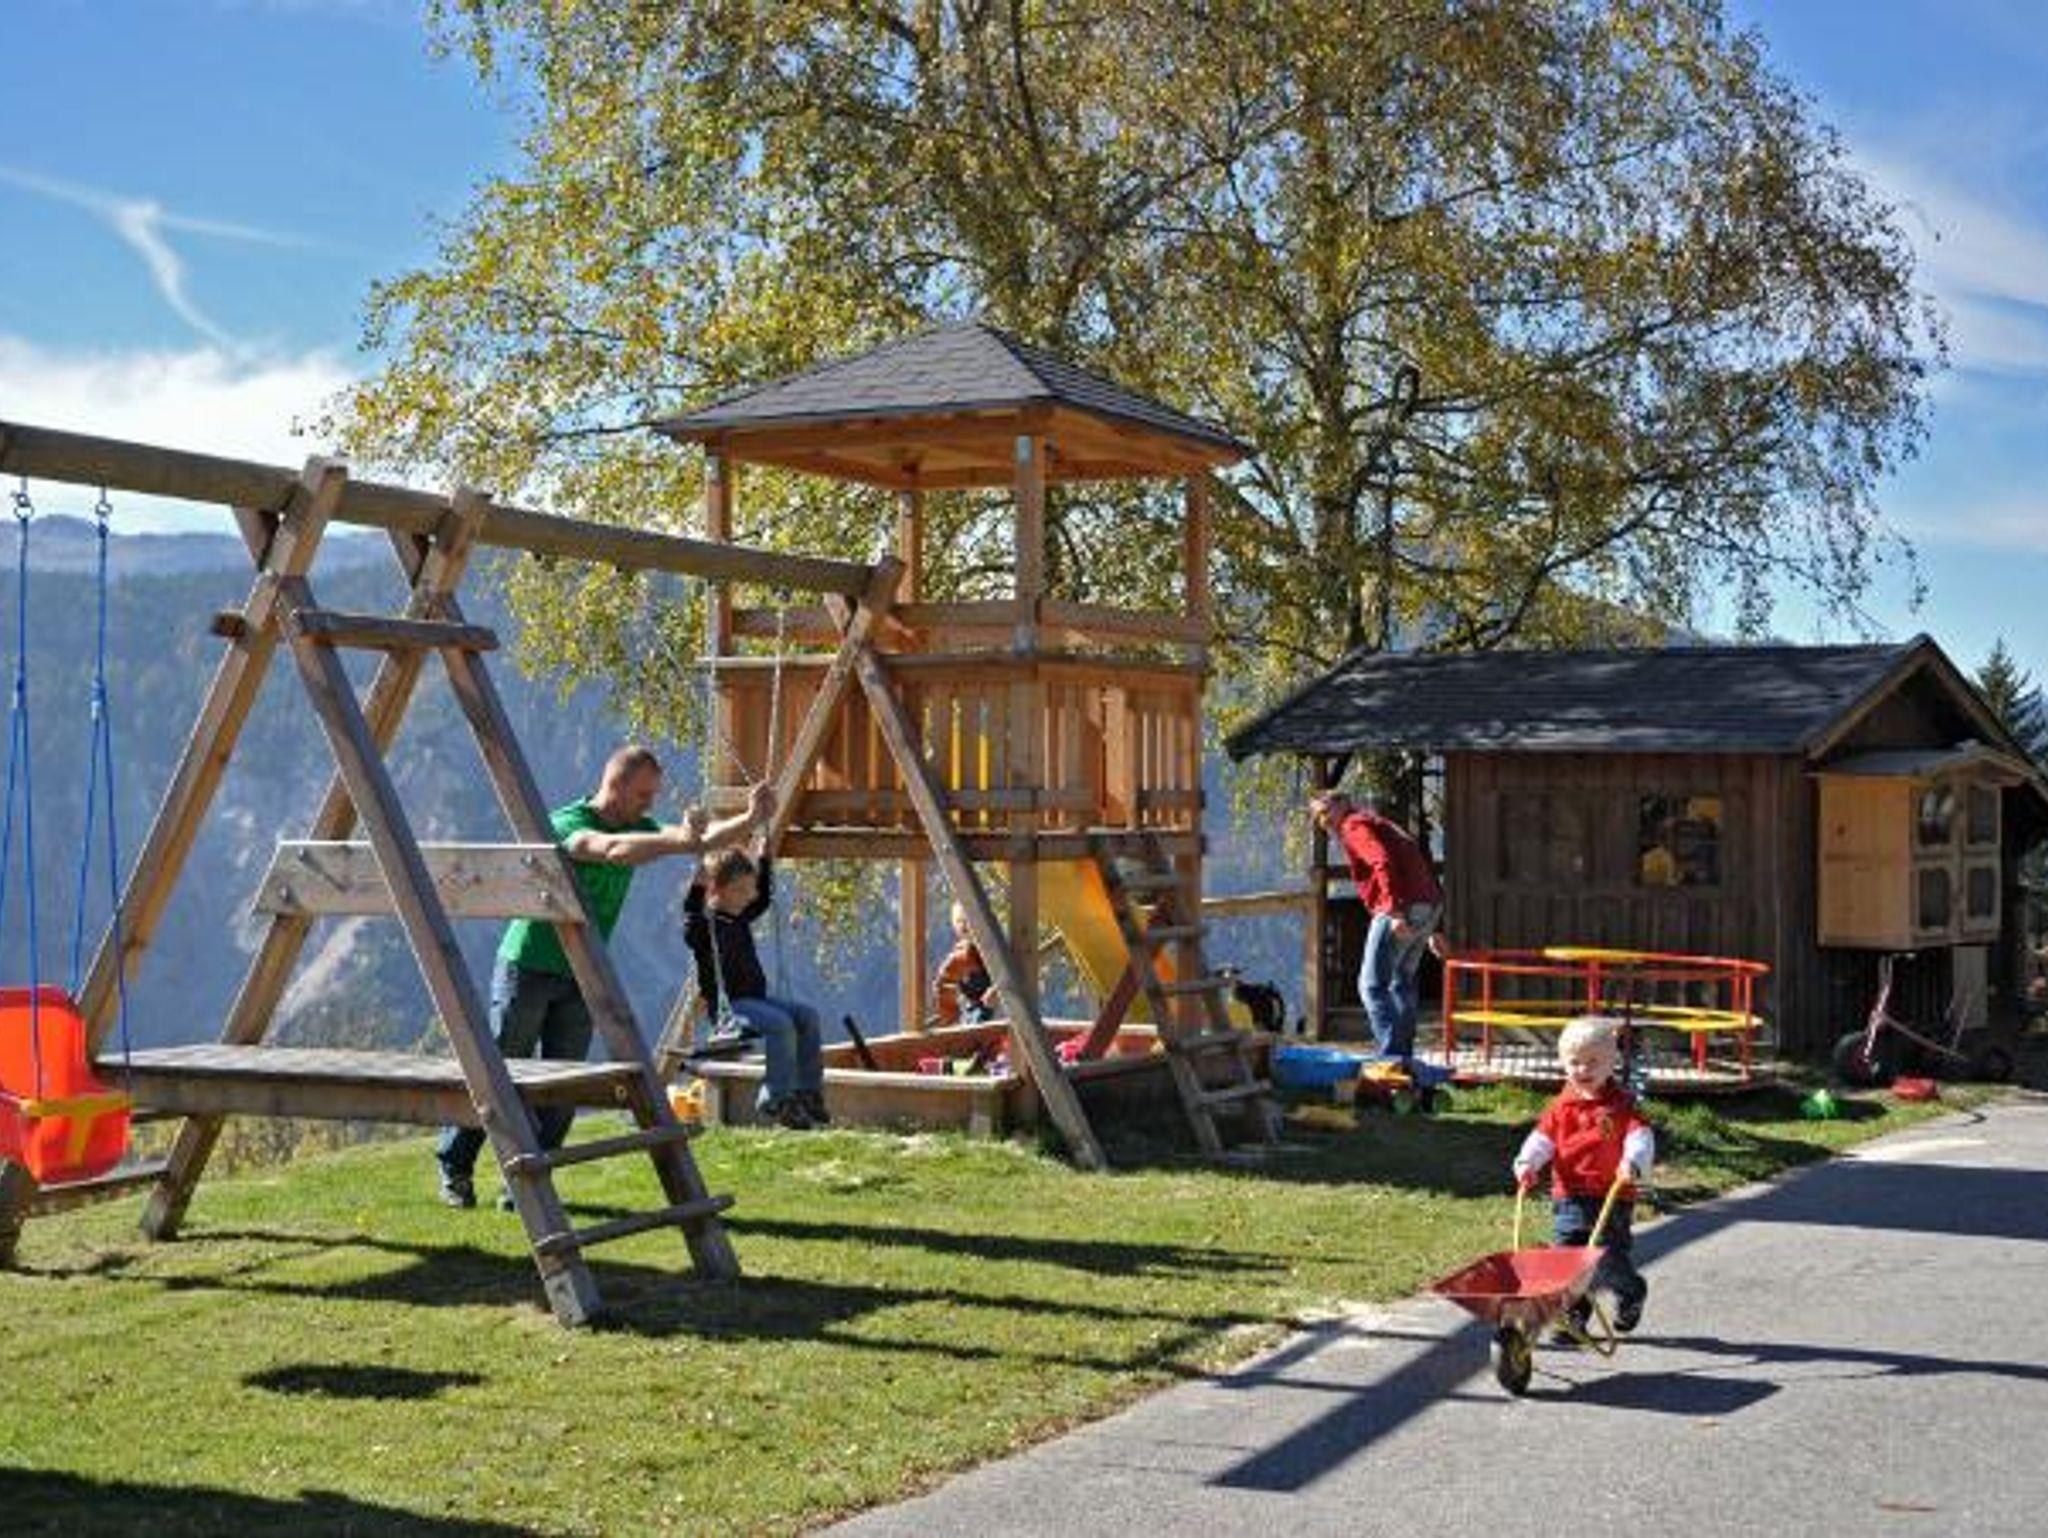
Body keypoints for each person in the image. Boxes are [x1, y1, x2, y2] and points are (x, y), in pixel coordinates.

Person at [435, 745, 772, 1209]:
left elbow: (698, 839)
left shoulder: (638, 824)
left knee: (565, 1081)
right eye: (643, 795)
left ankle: (531, 1184)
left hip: (583, 968)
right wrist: (684, 839)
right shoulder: (565, 824)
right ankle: (455, 1166)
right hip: (529, 964)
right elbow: (612, 851)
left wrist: (749, 818)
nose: (650, 804)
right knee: (501, 1068)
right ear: (616, 786)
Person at [1511, 1017, 1654, 1336]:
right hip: (1569, 1196)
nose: (1583, 1070)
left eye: (1593, 1062)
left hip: (1611, 1196)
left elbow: (1640, 1137)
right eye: (1575, 1062)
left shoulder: (1621, 1107)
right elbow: (1541, 1140)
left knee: (1604, 1259)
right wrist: (1528, 1163)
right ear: (1563, 1063)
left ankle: (1630, 1291)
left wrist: (1632, 1162)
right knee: (1567, 1259)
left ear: (1611, 1063)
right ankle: (1574, 1315)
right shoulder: (1561, 1108)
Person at [684, 839, 828, 1130]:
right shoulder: (705, 927)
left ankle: (808, 1091)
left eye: (748, 889)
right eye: (739, 890)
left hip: (756, 1001)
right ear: (715, 890)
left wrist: (764, 859)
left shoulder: (739, 918)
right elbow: (691, 915)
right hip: (730, 1009)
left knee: (807, 1016)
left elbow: (762, 899)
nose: (746, 897)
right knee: (780, 1024)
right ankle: (775, 1098)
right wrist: (697, 884)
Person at [1309, 791, 1444, 1071]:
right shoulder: (1377, 823)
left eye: (1326, 811)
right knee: (1401, 982)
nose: (1323, 820)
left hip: (1400, 907)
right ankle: (1403, 1056)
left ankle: (1391, 1058)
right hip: (1427, 905)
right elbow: (1416, 864)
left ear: (1343, 804)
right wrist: (1434, 928)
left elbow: (1381, 861)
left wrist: (1393, 910)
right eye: (1318, 817)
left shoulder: (1353, 825)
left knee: (1371, 985)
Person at [932, 900, 999, 1028]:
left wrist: (997, 989)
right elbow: (943, 985)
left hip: (1000, 1008)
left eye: (968, 920)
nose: (964, 925)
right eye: (960, 921)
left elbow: (1009, 975)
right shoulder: (962, 955)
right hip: (976, 1013)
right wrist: (951, 1017)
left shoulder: (994, 948)